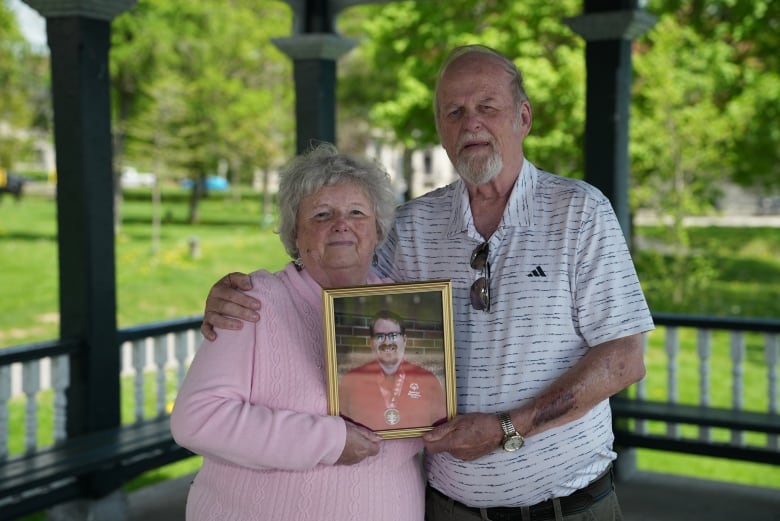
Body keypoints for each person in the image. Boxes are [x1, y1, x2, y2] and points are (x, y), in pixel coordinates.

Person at [201, 44, 654, 521]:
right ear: (440, 130)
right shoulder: (412, 224)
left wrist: (505, 428)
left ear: (523, 117)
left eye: (487, 107)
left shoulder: (579, 212)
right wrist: (240, 293)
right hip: (446, 508)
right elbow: (328, 268)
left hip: (568, 508)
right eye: (453, 112)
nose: (470, 123)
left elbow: (624, 359)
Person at [170, 143, 428, 521]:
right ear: (295, 234)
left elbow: (418, 415)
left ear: (377, 230)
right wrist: (330, 440)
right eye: (322, 214)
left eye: (356, 212)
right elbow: (197, 419)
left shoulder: (407, 309)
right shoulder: (254, 301)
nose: (341, 224)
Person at [339, 309, 447, 431]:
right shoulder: (351, 380)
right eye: (380, 336)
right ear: (371, 342)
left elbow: (441, 429)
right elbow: (342, 430)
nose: (387, 341)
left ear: (404, 340)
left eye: (393, 335)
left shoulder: (428, 380)